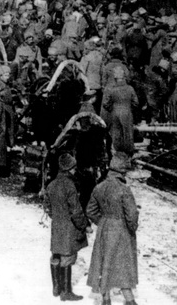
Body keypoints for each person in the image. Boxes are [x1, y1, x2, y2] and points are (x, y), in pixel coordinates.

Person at [86, 154, 139, 305]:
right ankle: (130, 301)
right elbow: (132, 215)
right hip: (122, 231)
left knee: (105, 264)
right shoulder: (124, 190)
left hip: (105, 229)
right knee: (123, 266)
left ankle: (106, 299)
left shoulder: (99, 187)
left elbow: (90, 210)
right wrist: (132, 229)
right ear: (123, 171)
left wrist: (102, 222)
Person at [45, 153, 91, 301]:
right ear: (70, 168)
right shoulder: (70, 186)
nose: (75, 171)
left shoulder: (51, 184)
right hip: (68, 228)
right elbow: (76, 210)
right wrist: (84, 226)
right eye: (73, 168)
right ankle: (66, 292)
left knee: (55, 256)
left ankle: (56, 288)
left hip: (56, 226)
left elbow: (47, 206)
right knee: (67, 258)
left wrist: (56, 217)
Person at [101, 66, 139, 156]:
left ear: (115, 77)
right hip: (127, 112)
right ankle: (128, 154)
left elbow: (105, 104)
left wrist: (112, 109)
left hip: (115, 113)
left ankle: (119, 153)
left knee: (117, 134)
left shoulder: (112, 89)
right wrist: (129, 108)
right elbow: (136, 103)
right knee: (128, 133)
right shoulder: (130, 88)